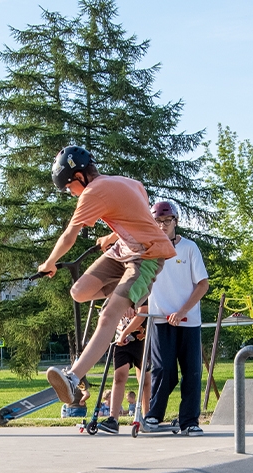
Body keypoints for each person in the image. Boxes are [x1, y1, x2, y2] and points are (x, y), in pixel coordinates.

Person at [39, 145, 176, 418]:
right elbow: (140, 216)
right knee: (79, 291)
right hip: (122, 249)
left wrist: (50, 262)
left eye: (68, 187)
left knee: (108, 317)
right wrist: (112, 237)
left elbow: (69, 236)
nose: (70, 193)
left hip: (146, 256)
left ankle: (73, 377)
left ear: (79, 177)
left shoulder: (91, 193)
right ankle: (127, 296)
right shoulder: (128, 183)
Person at [144, 201, 210, 436]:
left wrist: (182, 311)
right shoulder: (148, 249)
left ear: (176, 221)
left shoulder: (189, 248)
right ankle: (153, 415)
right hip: (160, 320)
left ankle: (189, 420)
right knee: (163, 369)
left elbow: (203, 284)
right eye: (158, 222)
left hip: (188, 320)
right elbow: (139, 281)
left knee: (191, 371)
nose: (162, 226)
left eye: (167, 221)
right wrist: (132, 305)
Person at [97, 306, 151, 434]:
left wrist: (125, 332)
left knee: (145, 379)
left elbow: (144, 311)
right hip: (122, 340)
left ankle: (146, 416)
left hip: (142, 338)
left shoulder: (143, 290)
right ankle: (113, 419)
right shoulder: (118, 290)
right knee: (119, 375)